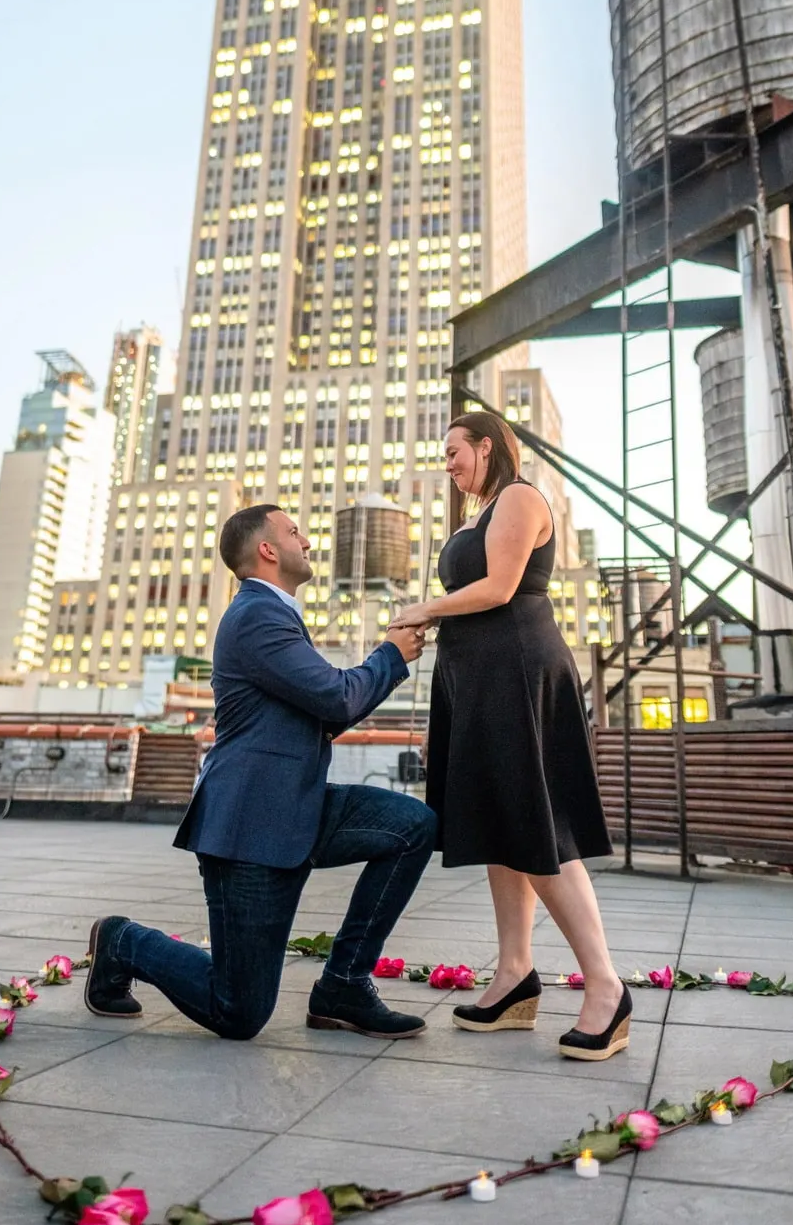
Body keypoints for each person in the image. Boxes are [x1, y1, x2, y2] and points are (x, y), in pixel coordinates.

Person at [84, 503, 435, 1041]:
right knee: (239, 1013)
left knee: (412, 826)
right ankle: (121, 941)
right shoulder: (257, 616)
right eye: (295, 532)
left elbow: (315, 716)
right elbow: (337, 699)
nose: (309, 543)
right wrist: (391, 654)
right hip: (249, 827)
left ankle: (343, 984)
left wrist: (381, 666)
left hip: (298, 804)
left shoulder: (277, 616)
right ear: (268, 549)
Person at [391, 411, 629, 1062]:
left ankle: (606, 986)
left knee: (534, 824)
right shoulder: (477, 513)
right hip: (479, 677)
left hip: (517, 670)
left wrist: (424, 608)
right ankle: (514, 974)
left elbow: (499, 588)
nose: (447, 462)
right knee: (502, 823)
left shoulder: (521, 497)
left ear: (486, 445)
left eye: (453, 451)